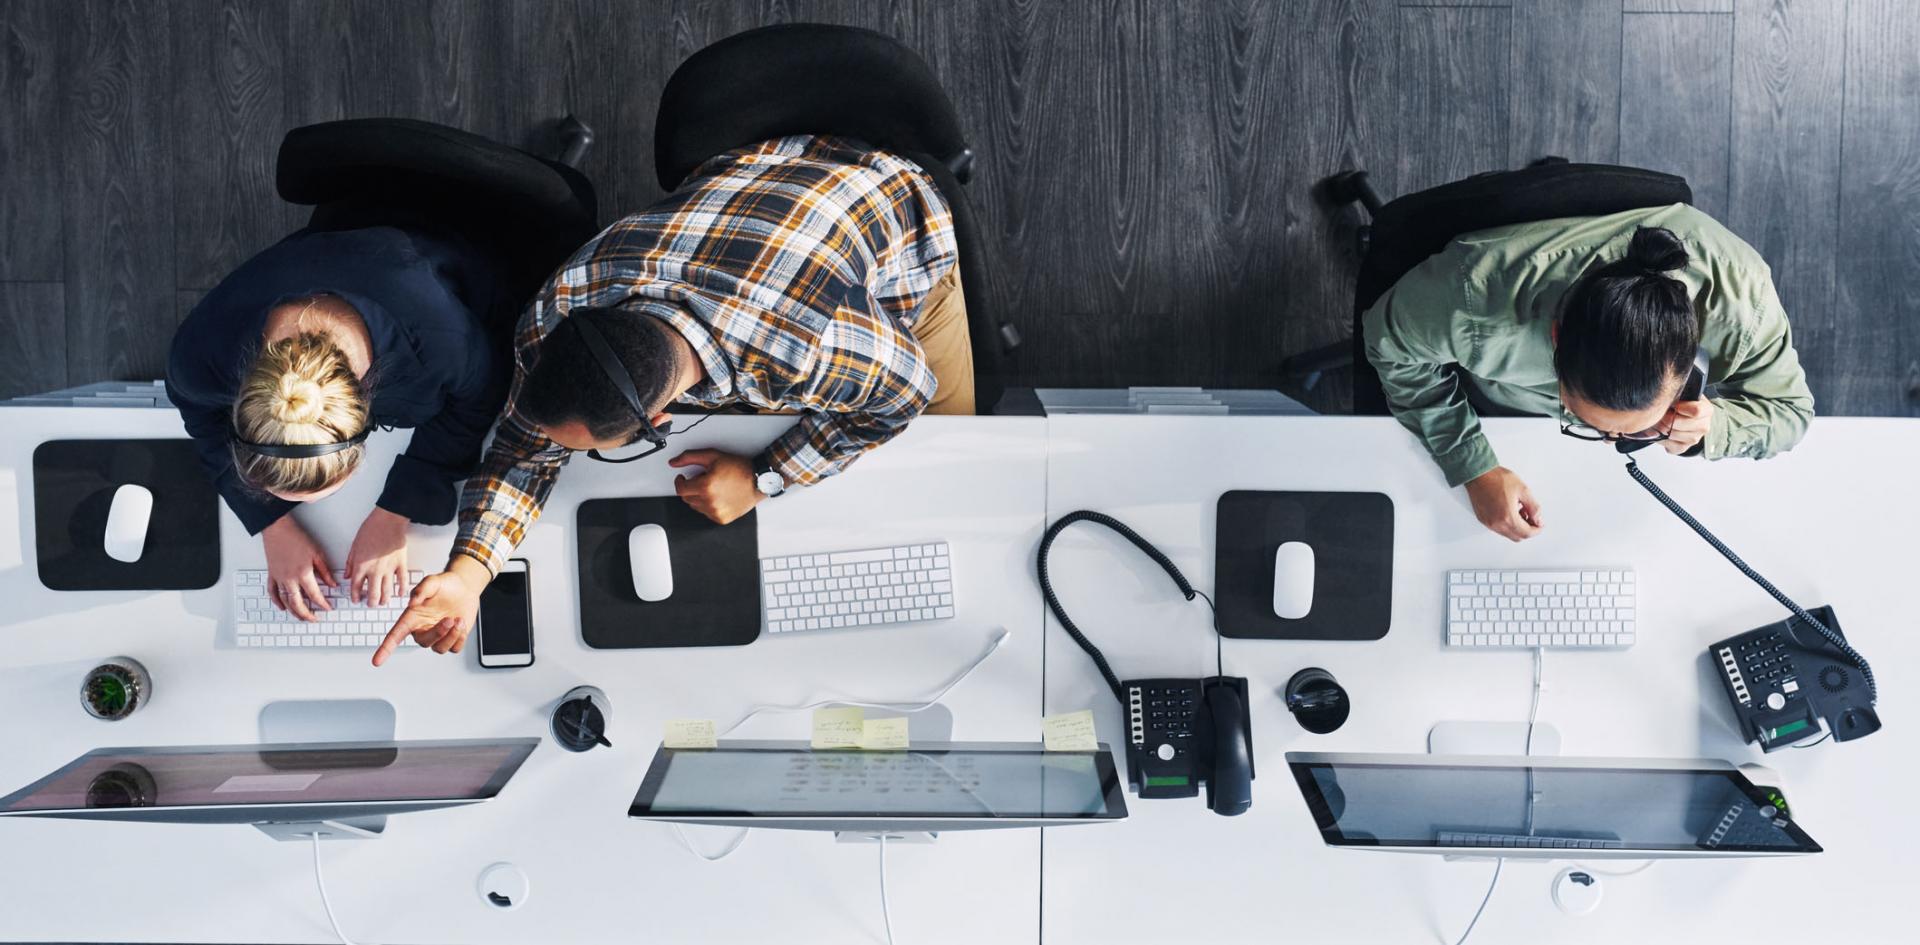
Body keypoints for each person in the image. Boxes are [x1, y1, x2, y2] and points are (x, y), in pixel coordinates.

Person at [372, 134, 972, 665]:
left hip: (894, 205)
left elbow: (902, 395)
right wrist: (468, 576)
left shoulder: (810, 352)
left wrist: (766, 477)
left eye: (593, 451)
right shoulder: (557, 311)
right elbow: (523, 452)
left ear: (658, 423)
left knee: (950, 457)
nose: (549, 451)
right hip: (758, 172)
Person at [1363, 204, 1814, 542]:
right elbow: (1389, 346)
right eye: (1593, 426)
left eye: (1639, 430)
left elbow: (1791, 416)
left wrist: (1715, 426)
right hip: (1492, 390)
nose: (1614, 443)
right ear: (1556, 338)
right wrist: (1474, 466)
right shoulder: (1469, 298)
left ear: (1688, 366)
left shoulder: (1742, 303)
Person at [168, 224, 513, 618]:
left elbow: (479, 400)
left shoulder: (440, 342)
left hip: (466, 246)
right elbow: (198, 413)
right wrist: (272, 526)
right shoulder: (197, 356)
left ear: (364, 421)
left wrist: (396, 509)